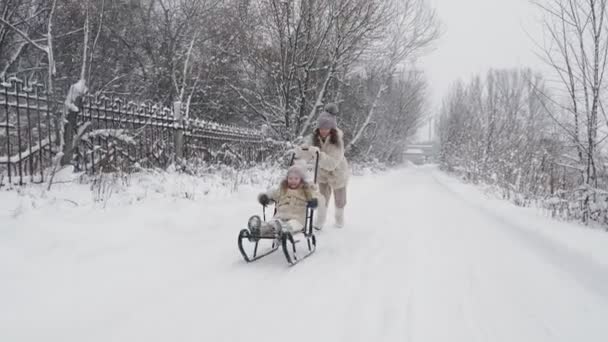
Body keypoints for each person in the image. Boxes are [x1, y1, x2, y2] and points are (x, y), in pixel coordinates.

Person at [294, 103, 349, 228]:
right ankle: (320, 220)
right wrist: (300, 152)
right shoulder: (315, 137)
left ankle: (339, 219)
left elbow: (332, 164)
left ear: (332, 129)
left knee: (340, 200)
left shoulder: (337, 142)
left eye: (326, 128)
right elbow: (308, 151)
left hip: (338, 173)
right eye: (321, 128)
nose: (323, 131)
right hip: (323, 174)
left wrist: (318, 153)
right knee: (322, 198)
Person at [247, 162, 319, 236]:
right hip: (280, 217)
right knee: (273, 224)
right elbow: (273, 195)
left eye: (296, 179)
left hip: (297, 219)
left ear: (301, 180)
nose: (293, 181)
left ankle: (281, 229)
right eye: (290, 178)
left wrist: (313, 201)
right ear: (287, 179)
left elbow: (314, 195)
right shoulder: (282, 189)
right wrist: (265, 198)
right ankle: (259, 229)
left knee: (290, 225)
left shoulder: (305, 190)